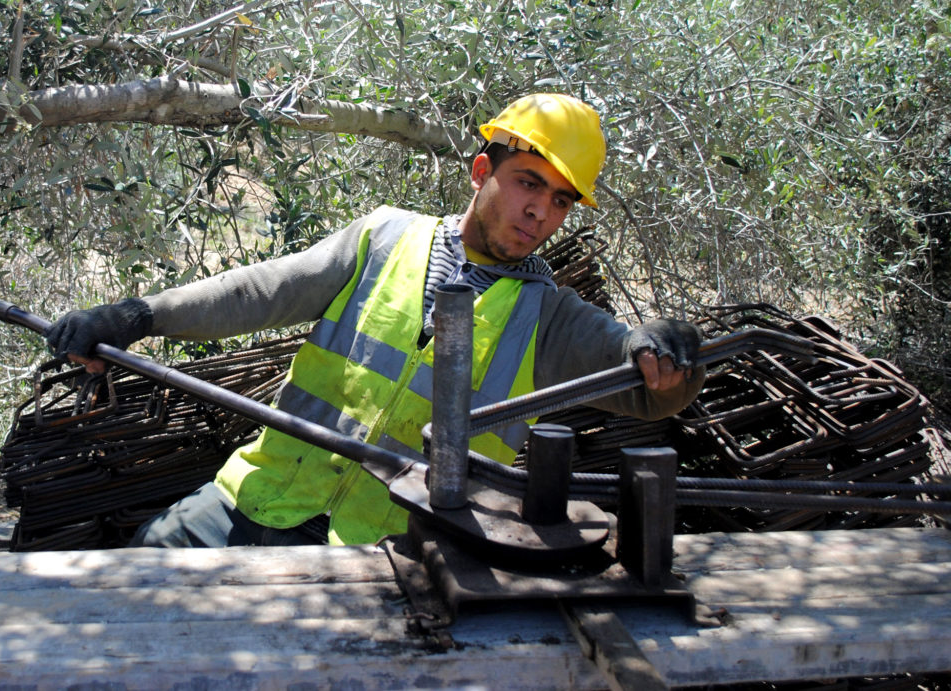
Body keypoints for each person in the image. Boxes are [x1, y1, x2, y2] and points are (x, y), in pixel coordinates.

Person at [45, 93, 705, 548]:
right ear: (483, 171)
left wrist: (666, 352)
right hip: (257, 498)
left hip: (390, 553)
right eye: (529, 182)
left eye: (560, 200)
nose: (540, 211)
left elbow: (648, 386)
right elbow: (262, 291)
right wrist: (138, 315)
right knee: (127, 587)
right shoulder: (386, 236)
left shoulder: (552, 317)